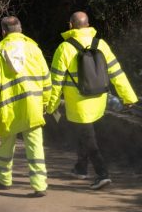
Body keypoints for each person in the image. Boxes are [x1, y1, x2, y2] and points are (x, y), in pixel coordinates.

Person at [46, 11, 138, 190]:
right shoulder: (101, 44)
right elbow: (116, 73)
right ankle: (81, 168)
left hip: (79, 102)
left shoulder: (65, 48)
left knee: (88, 138)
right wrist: (129, 97)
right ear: (88, 25)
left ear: (70, 25)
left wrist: (50, 105)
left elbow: (55, 81)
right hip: (99, 99)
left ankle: (102, 174)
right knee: (84, 133)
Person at [0, 16, 51, 197]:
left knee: (6, 144)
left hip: (8, 107)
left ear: (3, 32)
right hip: (33, 106)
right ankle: (39, 185)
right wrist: (46, 102)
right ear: (20, 29)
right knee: (35, 146)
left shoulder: (0, 50)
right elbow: (46, 77)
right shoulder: (34, 48)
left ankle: (3, 179)